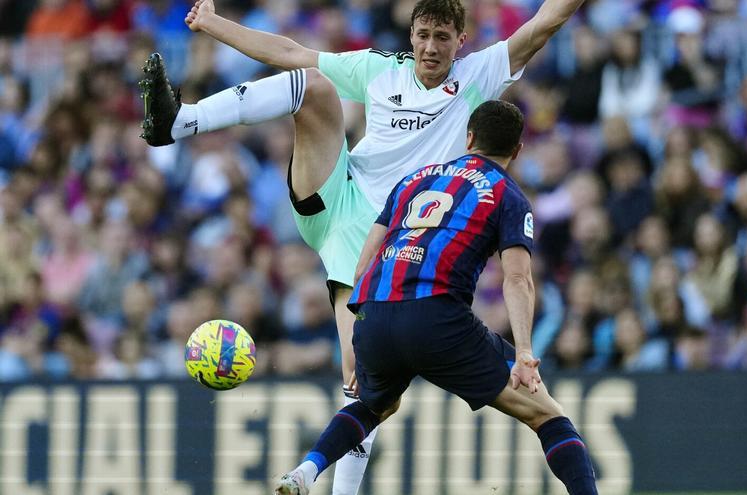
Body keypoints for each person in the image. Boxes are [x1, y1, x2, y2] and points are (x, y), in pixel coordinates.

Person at [138, 1, 590, 493]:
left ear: (462, 40)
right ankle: (178, 123)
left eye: (443, 37)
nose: (430, 47)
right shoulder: (380, 69)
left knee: (362, 382)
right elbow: (289, 48)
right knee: (309, 83)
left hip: (387, 240)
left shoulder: (481, 74)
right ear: (411, 34)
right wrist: (211, 23)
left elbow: (547, 22)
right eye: (423, 35)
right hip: (337, 196)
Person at [275, 101, 597, 495]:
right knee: (549, 416)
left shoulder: (415, 180)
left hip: (374, 310)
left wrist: (363, 336)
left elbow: (364, 263)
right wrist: (525, 352)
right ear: (517, 151)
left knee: (376, 405)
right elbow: (517, 279)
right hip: (435, 315)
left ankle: (306, 470)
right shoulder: (507, 195)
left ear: (470, 138)